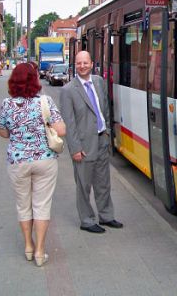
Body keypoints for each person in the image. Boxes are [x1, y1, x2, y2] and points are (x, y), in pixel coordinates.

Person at [0, 63, 66, 267]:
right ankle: (40, 251)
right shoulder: (45, 101)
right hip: (44, 160)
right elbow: (61, 130)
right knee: (42, 205)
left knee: (23, 205)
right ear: (35, 80)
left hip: (18, 161)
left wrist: (17, 132)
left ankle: (28, 246)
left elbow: (2, 132)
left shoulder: (7, 104)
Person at [60, 51, 123, 234]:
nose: (82, 66)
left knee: (103, 183)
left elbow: (105, 109)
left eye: (85, 62)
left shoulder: (99, 82)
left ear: (91, 63)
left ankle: (106, 216)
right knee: (84, 185)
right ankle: (87, 220)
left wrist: (108, 133)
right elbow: (69, 123)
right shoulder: (68, 90)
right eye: (79, 63)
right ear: (75, 65)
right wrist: (75, 148)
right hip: (83, 145)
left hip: (101, 139)